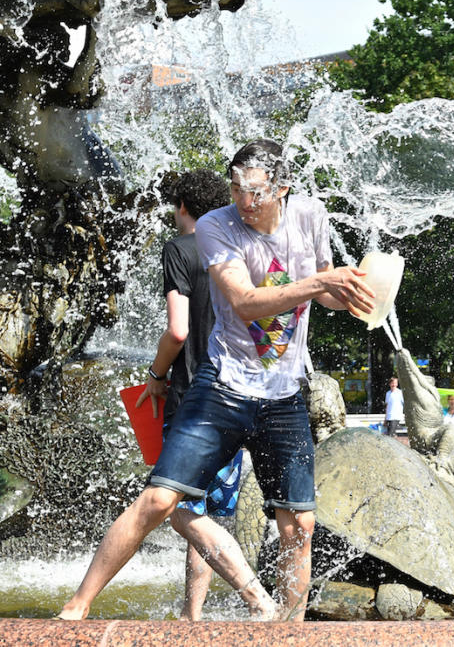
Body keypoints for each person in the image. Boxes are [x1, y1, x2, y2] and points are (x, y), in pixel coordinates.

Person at [59, 139, 375, 622]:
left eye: (256, 192)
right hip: (221, 388)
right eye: (236, 189)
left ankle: (288, 630)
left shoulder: (310, 215)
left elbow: (324, 286)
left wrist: (349, 295)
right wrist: (319, 285)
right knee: (160, 500)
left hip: (285, 395)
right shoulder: (215, 226)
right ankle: (76, 608)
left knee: (300, 526)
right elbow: (245, 301)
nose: (244, 202)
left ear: (283, 188)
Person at [132, 169, 247, 620]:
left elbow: (177, 331)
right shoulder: (239, 251)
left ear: (181, 207)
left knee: (177, 503)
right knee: (210, 512)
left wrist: (155, 374)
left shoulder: (180, 249)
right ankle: (192, 613)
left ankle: (244, 595)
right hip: (240, 394)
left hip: (192, 398)